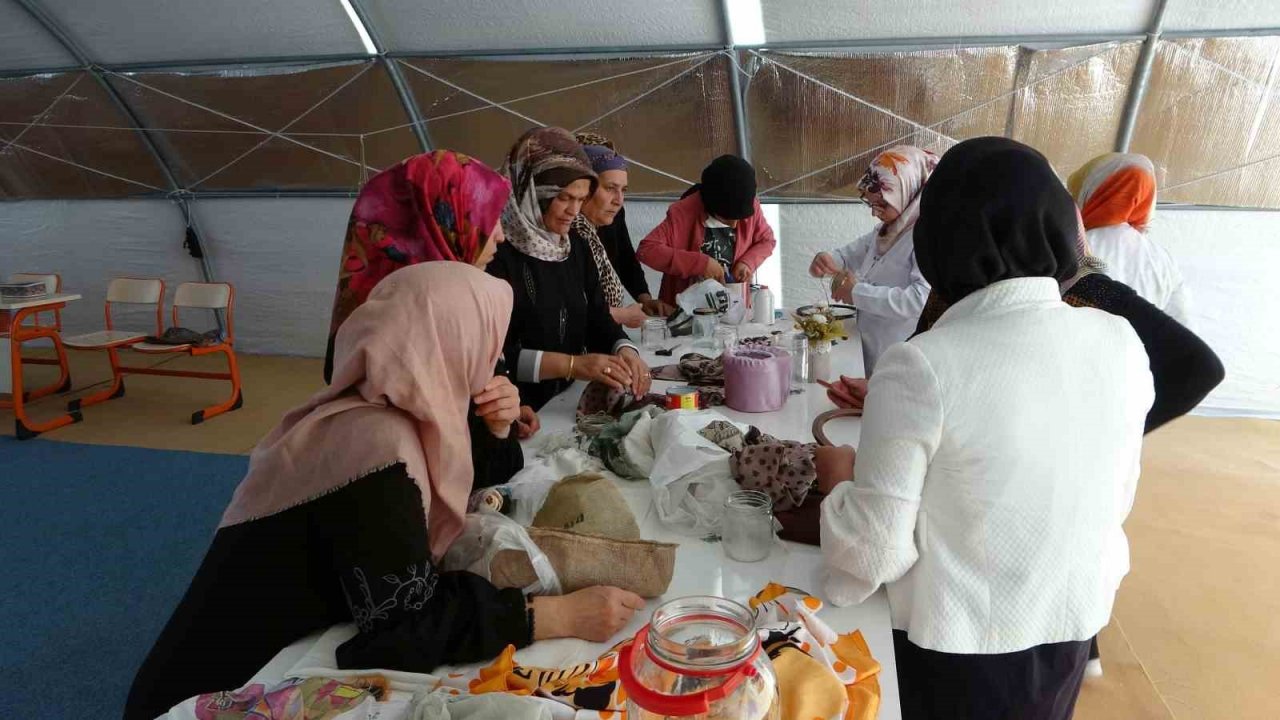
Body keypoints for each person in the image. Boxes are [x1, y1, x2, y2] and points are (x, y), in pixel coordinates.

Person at [125, 264, 646, 720]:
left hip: (266, 657)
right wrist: (555, 616)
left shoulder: (379, 406)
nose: (491, 361)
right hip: (215, 694)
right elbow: (400, 625)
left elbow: (477, 475)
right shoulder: (377, 445)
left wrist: (496, 427)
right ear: (447, 342)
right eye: (483, 342)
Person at [819, 137, 1155, 720]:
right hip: (1068, 624)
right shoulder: (1119, 341)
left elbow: (873, 555)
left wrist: (838, 486)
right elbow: (1110, 495)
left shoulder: (923, 362)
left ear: (937, 239)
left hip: (958, 650)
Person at [322, 150, 536, 488]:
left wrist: (501, 421)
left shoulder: (379, 321)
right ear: (442, 224)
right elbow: (460, 477)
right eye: (488, 216)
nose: (501, 235)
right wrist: (495, 429)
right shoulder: (408, 345)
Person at [487, 126, 650, 411]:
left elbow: (596, 315)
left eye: (581, 199)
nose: (574, 211)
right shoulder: (496, 256)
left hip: (563, 401)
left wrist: (624, 349)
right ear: (532, 192)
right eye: (564, 198)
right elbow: (495, 357)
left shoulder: (573, 245)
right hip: (517, 410)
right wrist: (572, 365)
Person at [808, 146, 937, 375]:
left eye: (883, 204)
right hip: (868, 345)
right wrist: (827, 260)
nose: (874, 213)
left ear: (909, 193)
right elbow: (849, 255)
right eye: (870, 203)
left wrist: (857, 292)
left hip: (897, 355)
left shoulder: (925, 239)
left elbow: (919, 300)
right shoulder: (887, 230)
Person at [1069, 153, 1192, 327]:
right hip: (1139, 352)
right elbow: (1183, 324)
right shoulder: (1163, 259)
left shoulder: (1070, 247)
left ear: (1091, 191)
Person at [636, 154, 777, 306]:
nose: (735, 225)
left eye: (739, 218)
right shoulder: (683, 212)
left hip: (734, 310)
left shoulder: (750, 206)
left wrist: (747, 262)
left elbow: (767, 240)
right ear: (712, 204)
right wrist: (700, 264)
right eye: (727, 217)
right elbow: (647, 251)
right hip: (687, 314)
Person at [572, 132, 674, 326]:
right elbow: (568, 307)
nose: (619, 200)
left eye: (623, 190)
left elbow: (625, 256)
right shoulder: (565, 236)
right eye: (610, 188)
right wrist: (620, 316)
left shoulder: (611, 213)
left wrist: (644, 299)